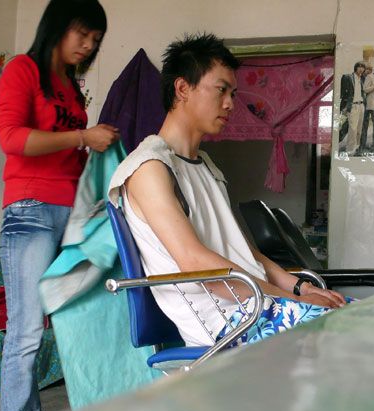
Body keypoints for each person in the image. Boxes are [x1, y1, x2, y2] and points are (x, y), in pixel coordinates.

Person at [107, 33, 345, 350]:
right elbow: (194, 262)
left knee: (359, 316)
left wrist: (301, 288)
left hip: (256, 306)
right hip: (226, 323)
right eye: (221, 90)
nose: (230, 103)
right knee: (351, 338)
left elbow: (247, 253)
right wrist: (292, 300)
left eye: (232, 93)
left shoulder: (206, 166)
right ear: (182, 89)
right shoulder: (149, 167)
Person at [0, 0, 118, 411]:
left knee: (83, 320)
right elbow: (11, 138)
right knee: (27, 331)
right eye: (82, 34)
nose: (88, 46)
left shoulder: (70, 87)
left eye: (95, 40)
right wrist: (83, 135)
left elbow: (71, 155)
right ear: (58, 26)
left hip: (73, 215)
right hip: (30, 210)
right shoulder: (23, 70)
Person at [339, 62, 366, 155]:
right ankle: (350, 149)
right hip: (353, 105)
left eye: (363, 67)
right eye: (359, 67)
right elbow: (343, 93)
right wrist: (344, 106)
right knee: (353, 129)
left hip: (361, 105)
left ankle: (356, 147)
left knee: (359, 129)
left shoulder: (362, 79)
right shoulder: (348, 77)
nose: (361, 69)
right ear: (356, 68)